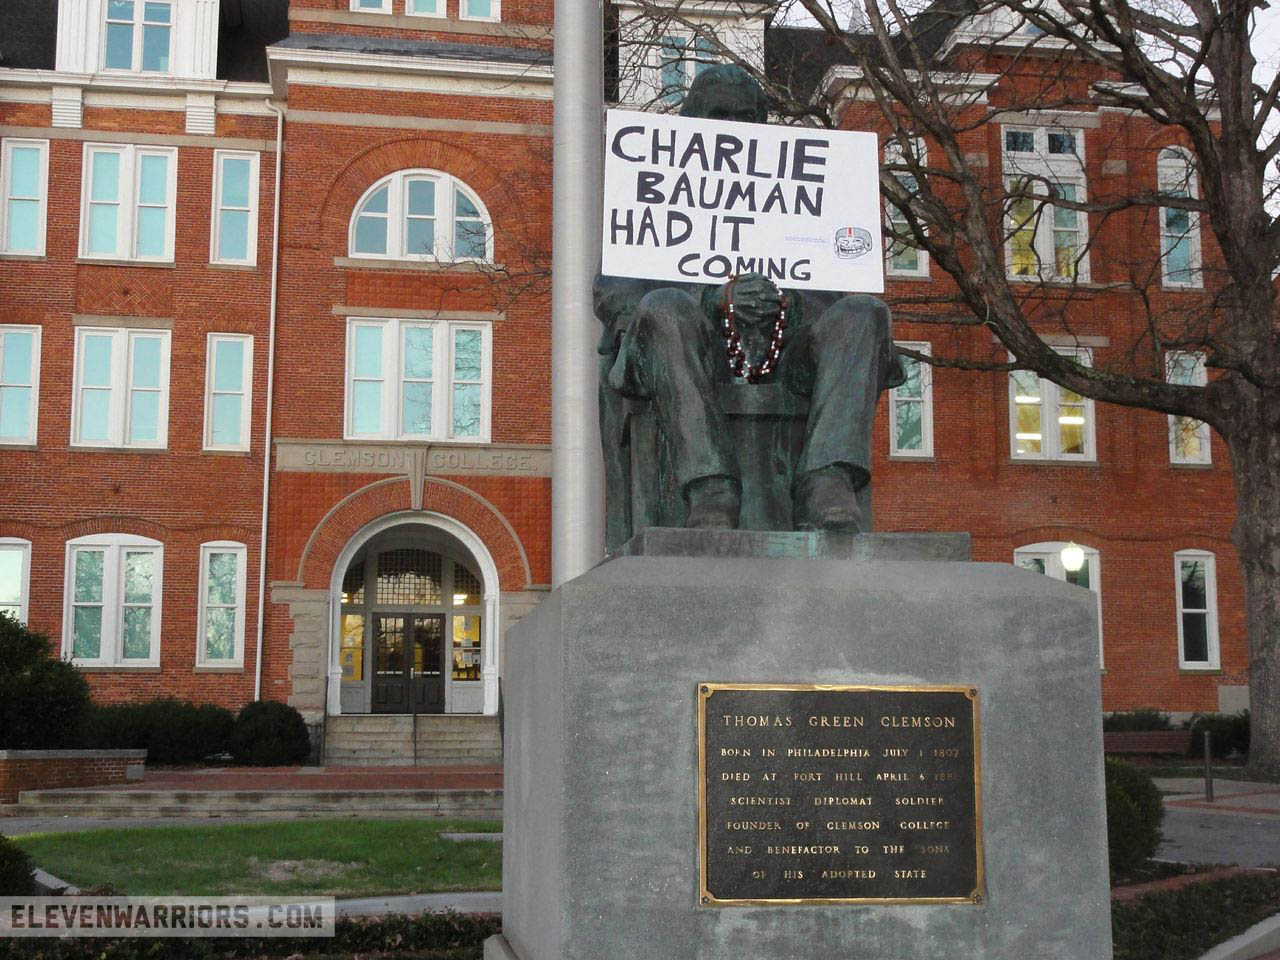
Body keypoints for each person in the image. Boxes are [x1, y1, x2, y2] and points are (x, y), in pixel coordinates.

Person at [595, 64, 902, 540]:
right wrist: (715, 299)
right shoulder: (645, 186)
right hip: (681, 356)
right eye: (718, 116)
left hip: (788, 357)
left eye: (744, 117)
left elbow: (834, 291)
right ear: (691, 120)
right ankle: (710, 486)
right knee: (665, 305)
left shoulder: (806, 187)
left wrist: (787, 305)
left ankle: (827, 479)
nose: (732, 129)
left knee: (865, 313)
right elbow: (618, 299)